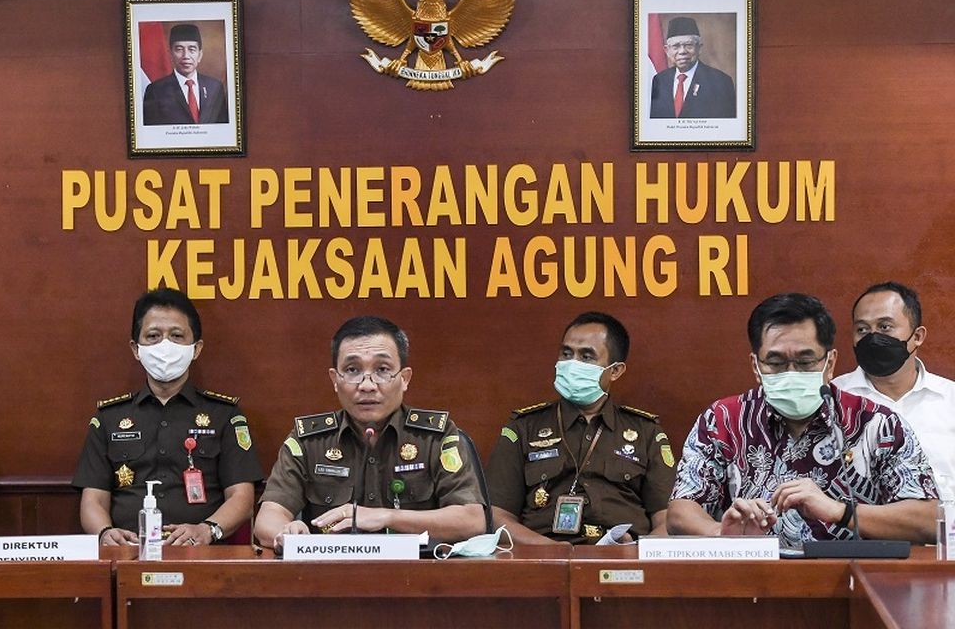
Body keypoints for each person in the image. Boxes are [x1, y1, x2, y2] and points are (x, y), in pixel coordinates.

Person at [667, 292, 938, 547]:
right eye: (776, 362)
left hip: (854, 584)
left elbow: (928, 521)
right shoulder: (724, 420)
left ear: (829, 363)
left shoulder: (876, 424)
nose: (791, 373)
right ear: (756, 366)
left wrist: (840, 512)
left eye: (806, 361)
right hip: (750, 582)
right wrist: (723, 534)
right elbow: (680, 511)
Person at [253, 315, 488, 549]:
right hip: (330, 577)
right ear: (335, 380)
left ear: (404, 379)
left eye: (382, 369)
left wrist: (386, 517)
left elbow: (472, 521)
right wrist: (286, 532)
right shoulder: (309, 440)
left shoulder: (435, 436)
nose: (367, 385)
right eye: (352, 370)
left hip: (419, 578)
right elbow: (268, 518)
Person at [73, 288, 261, 546]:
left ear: (196, 349)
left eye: (176, 336)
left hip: (203, 555)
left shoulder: (225, 416)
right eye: (153, 336)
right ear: (136, 349)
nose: (165, 345)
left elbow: (242, 497)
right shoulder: (108, 419)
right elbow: (92, 499)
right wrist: (105, 533)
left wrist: (207, 530)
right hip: (129, 554)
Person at [486, 312, 674, 544]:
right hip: (542, 560)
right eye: (566, 354)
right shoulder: (523, 427)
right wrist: (550, 551)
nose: (572, 364)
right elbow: (497, 516)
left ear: (615, 371)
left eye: (586, 357)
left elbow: (669, 521)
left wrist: (638, 551)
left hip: (624, 559)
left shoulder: (646, 433)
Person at [833, 282, 955, 501]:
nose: (872, 337)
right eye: (862, 329)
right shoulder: (834, 399)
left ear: (917, 336)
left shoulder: (950, 401)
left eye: (885, 327)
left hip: (942, 533)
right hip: (854, 532)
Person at [649, 16, 737, 119]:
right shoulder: (659, 80)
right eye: (676, 46)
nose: (682, 51)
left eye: (688, 45)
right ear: (667, 50)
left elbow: (726, 126)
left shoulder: (720, 82)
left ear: (699, 48)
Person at [142, 23, 229, 125]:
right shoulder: (155, 90)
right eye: (179, 49)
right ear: (170, 54)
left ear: (200, 55)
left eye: (192, 49)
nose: (186, 56)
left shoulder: (215, 87)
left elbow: (222, 128)